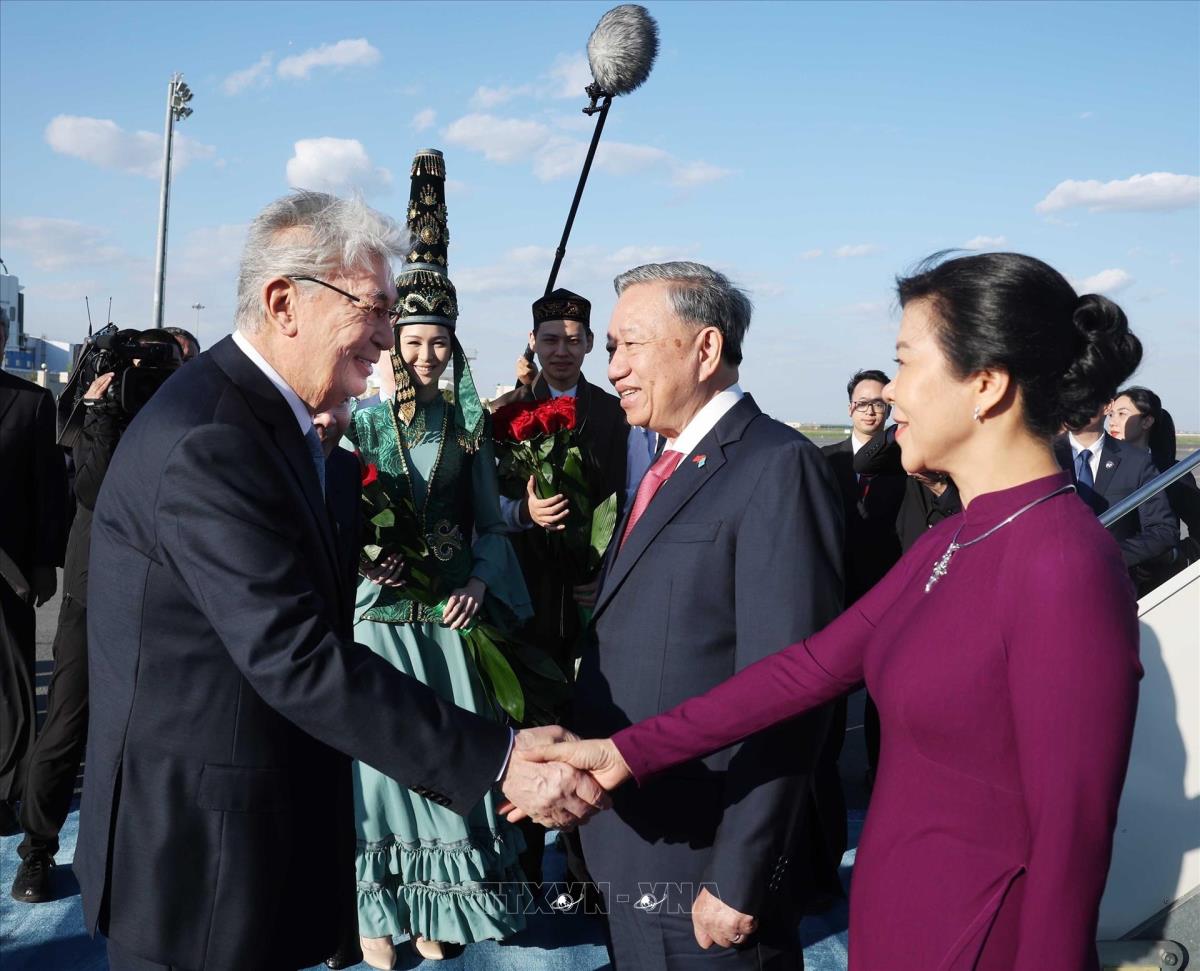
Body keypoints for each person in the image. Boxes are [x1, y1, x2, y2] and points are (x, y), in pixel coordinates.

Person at [532, 252, 1146, 971]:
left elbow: (1071, 845)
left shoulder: (1064, 562)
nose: (891, 393)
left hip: (975, 937)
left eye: (906, 363)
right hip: (893, 921)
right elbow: (800, 672)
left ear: (986, 385)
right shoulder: (953, 538)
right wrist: (624, 753)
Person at [75, 188, 606, 971]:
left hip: (238, 846)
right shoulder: (214, 440)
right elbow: (295, 654)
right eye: (375, 309)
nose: (389, 336)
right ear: (283, 302)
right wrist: (498, 758)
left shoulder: (266, 421)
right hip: (197, 870)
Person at [567, 261, 845, 970]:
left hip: (705, 861)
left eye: (631, 345)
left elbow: (791, 688)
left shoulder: (777, 465)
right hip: (634, 837)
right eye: (611, 349)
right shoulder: (666, 465)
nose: (614, 368)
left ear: (706, 348)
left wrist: (739, 874)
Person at [344, 149, 534, 968]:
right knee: (379, 769)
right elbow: (332, 517)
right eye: (415, 341)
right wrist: (363, 561)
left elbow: (491, 524)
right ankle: (375, 911)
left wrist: (482, 581)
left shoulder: (467, 428)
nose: (426, 357)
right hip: (379, 622)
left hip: (449, 621)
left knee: (445, 763)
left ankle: (435, 901)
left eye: (439, 345)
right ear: (394, 341)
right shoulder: (360, 423)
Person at [11, 334, 185, 904]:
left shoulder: (193, 417)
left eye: (168, 366)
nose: (149, 378)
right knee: (68, 721)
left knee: (160, 730)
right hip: (94, 589)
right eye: (141, 367)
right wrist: (101, 413)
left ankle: (150, 851)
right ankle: (38, 849)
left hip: (167, 594)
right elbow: (94, 488)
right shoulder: (98, 414)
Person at [489, 287, 651, 890]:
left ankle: (589, 879)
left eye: (574, 340)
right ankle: (524, 871)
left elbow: (635, 501)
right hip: (523, 599)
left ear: (588, 346)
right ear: (533, 343)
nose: (562, 350)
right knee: (528, 731)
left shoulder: (615, 414)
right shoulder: (504, 415)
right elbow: (483, 507)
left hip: (591, 600)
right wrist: (523, 512)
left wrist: (608, 575)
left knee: (591, 729)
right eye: (551, 339)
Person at [820, 369, 905, 811]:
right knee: (829, 685)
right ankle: (825, 767)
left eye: (879, 404)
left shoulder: (905, 463)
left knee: (880, 689)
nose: (870, 411)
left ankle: (879, 771)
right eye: (862, 403)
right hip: (835, 588)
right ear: (849, 407)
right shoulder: (825, 460)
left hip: (887, 588)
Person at [0, 314, 68, 837]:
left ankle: (6, 792)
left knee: (12, 692)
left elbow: (48, 490)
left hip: (11, 573)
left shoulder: (32, 402)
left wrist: (45, 562)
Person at [1053, 405, 1178, 595]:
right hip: (1050, 587)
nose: (1075, 403)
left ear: (1106, 405)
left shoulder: (1136, 461)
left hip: (1112, 588)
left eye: (1084, 395)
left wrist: (1112, 555)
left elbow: (1163, 530)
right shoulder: (1042, 456)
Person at [1109, 386, 1200, 561]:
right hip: (1106, 568)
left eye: (1122, 414)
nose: (1113, 422)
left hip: (1153, 574)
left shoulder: (1172, 473)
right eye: (1111, 415)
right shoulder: (1099, 466)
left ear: (1147, 422)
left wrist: (1177, 557)